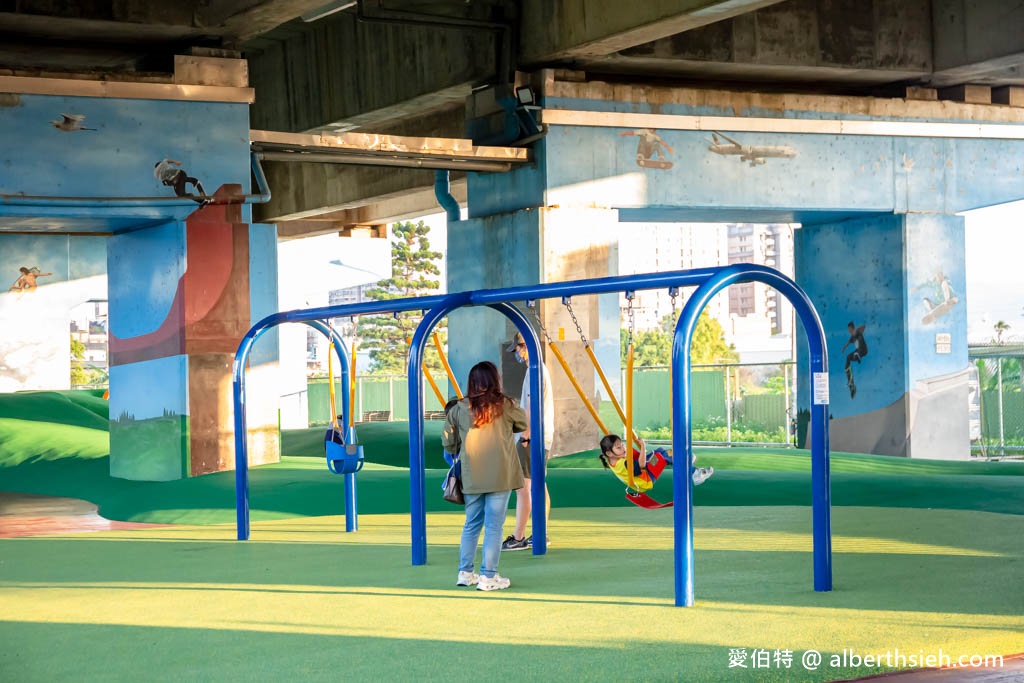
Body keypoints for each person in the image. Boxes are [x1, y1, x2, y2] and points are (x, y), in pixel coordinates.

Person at [443, 361, 527, 592]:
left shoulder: (459, 409)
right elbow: (523, 423)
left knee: (471, 524)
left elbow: (448, 443)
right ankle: (488, 576)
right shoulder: (506, 405)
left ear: (471, 383)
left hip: (472, 476)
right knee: (494, 526)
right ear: (495, 381)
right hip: (501, 475)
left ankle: (465, 572)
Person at [501, 331, 554, 552]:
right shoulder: (539, 370)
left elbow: (532, 406)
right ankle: (539, 532)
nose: (519, 354)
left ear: (526, 347)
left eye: (520, 349)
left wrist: (525, 434)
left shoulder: (535, 371)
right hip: (541, 435)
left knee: (524, 487)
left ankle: (519, 536)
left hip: (533, 435)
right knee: (537, 484)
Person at [598, 433, 713, 492]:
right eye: (619, 447)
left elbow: (636, 460)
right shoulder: (623, 464)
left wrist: (620, 449)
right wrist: (643, 446)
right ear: (609, 453)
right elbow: (642, 464)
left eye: (622, 445)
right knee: (661, 456)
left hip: (642, 472)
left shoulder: (611, 459)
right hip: (646, 478)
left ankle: (685, 464)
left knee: (660, 451)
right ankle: (693, 472)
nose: (623, 448)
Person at [840, 321, 867, 399]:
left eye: (850, 330)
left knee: (859, 338)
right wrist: (844, 348)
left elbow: (864, 326)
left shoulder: (857, 332)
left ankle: (858, 354)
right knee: (848, 357)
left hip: (864, 350)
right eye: (849, 331)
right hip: (857, 353)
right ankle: (851, 384)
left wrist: (856, 330)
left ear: (852, 328)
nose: (849, 332)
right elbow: (848, 343)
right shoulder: (852, 337)